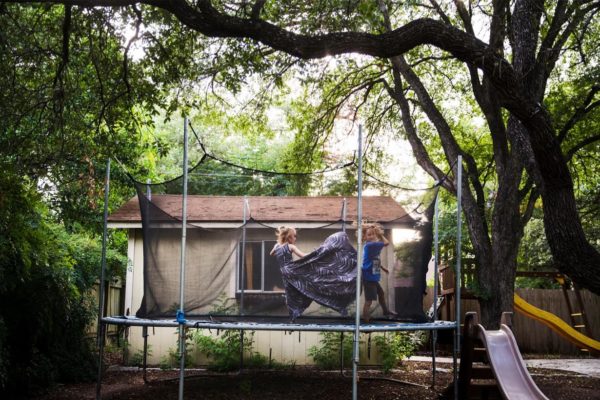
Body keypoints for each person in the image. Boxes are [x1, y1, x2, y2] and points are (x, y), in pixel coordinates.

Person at [270, 226, 357, 321]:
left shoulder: (277, 246)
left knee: (292, 292)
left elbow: (271, 253)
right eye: (294, 236)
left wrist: (278, 247)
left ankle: (293, 313)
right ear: (289, 237)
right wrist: (316, 253)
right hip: (292, 269)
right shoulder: (290, 246)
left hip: (285, 272)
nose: (295, 238)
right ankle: (334, 292)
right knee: (313, 278)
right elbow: (302, 256)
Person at [361, 222, 397, 323]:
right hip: (368, 277)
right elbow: (386, 243)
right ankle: (366, 320)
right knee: (369, 301)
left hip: (372, 276)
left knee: (381, 293)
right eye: (369, 234)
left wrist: (383, 268)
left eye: (373, 234)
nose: (371, 236)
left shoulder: (372, 247)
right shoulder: (371, 245)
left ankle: (385, 311)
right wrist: (380, 234)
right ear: (365, 236)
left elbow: (374, 260)